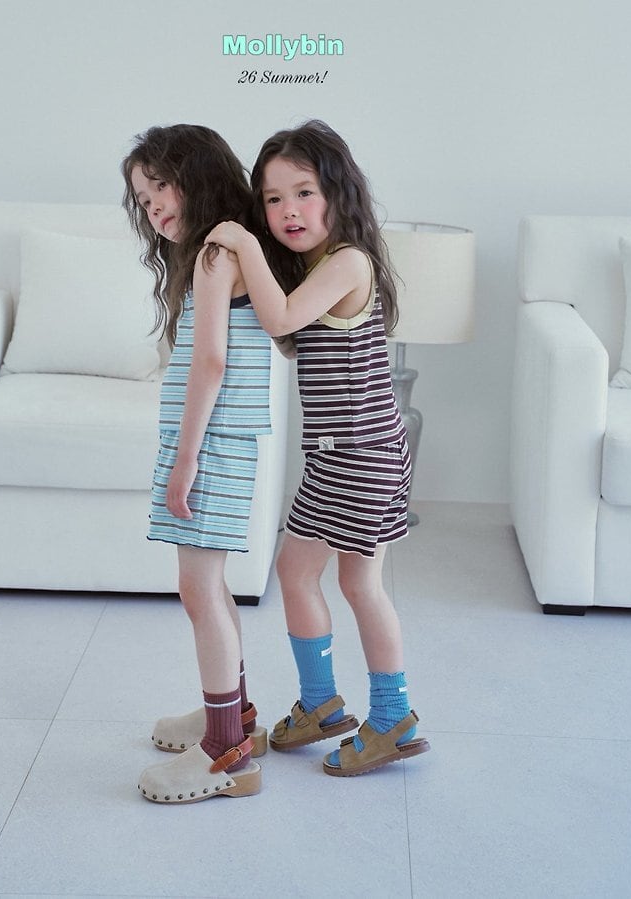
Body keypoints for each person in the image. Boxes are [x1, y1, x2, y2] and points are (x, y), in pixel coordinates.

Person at [206, 120, 430, 777]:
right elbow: (288, 332)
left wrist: (243, 241)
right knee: (332, 578)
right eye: (273, 199)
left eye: (304, 192)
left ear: (338, 192)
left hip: (356, 453)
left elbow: (279, 319)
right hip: (353, 451)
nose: (289, 211)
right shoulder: (317, 267)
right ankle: (330, 706)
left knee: (331, 579)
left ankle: (384, 716)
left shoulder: (348, 261)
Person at [121, 124, 270, 803]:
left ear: (199, 175)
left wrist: (185, 461)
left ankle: (224, 751)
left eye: (161, 187)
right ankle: (232, 717)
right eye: (143, 199)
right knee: (209, 587)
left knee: (198, 591)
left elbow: (211, 362)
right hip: (216, 440)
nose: (153, 206)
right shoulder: (224, 250)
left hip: (210, 444)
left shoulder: (217, 253)